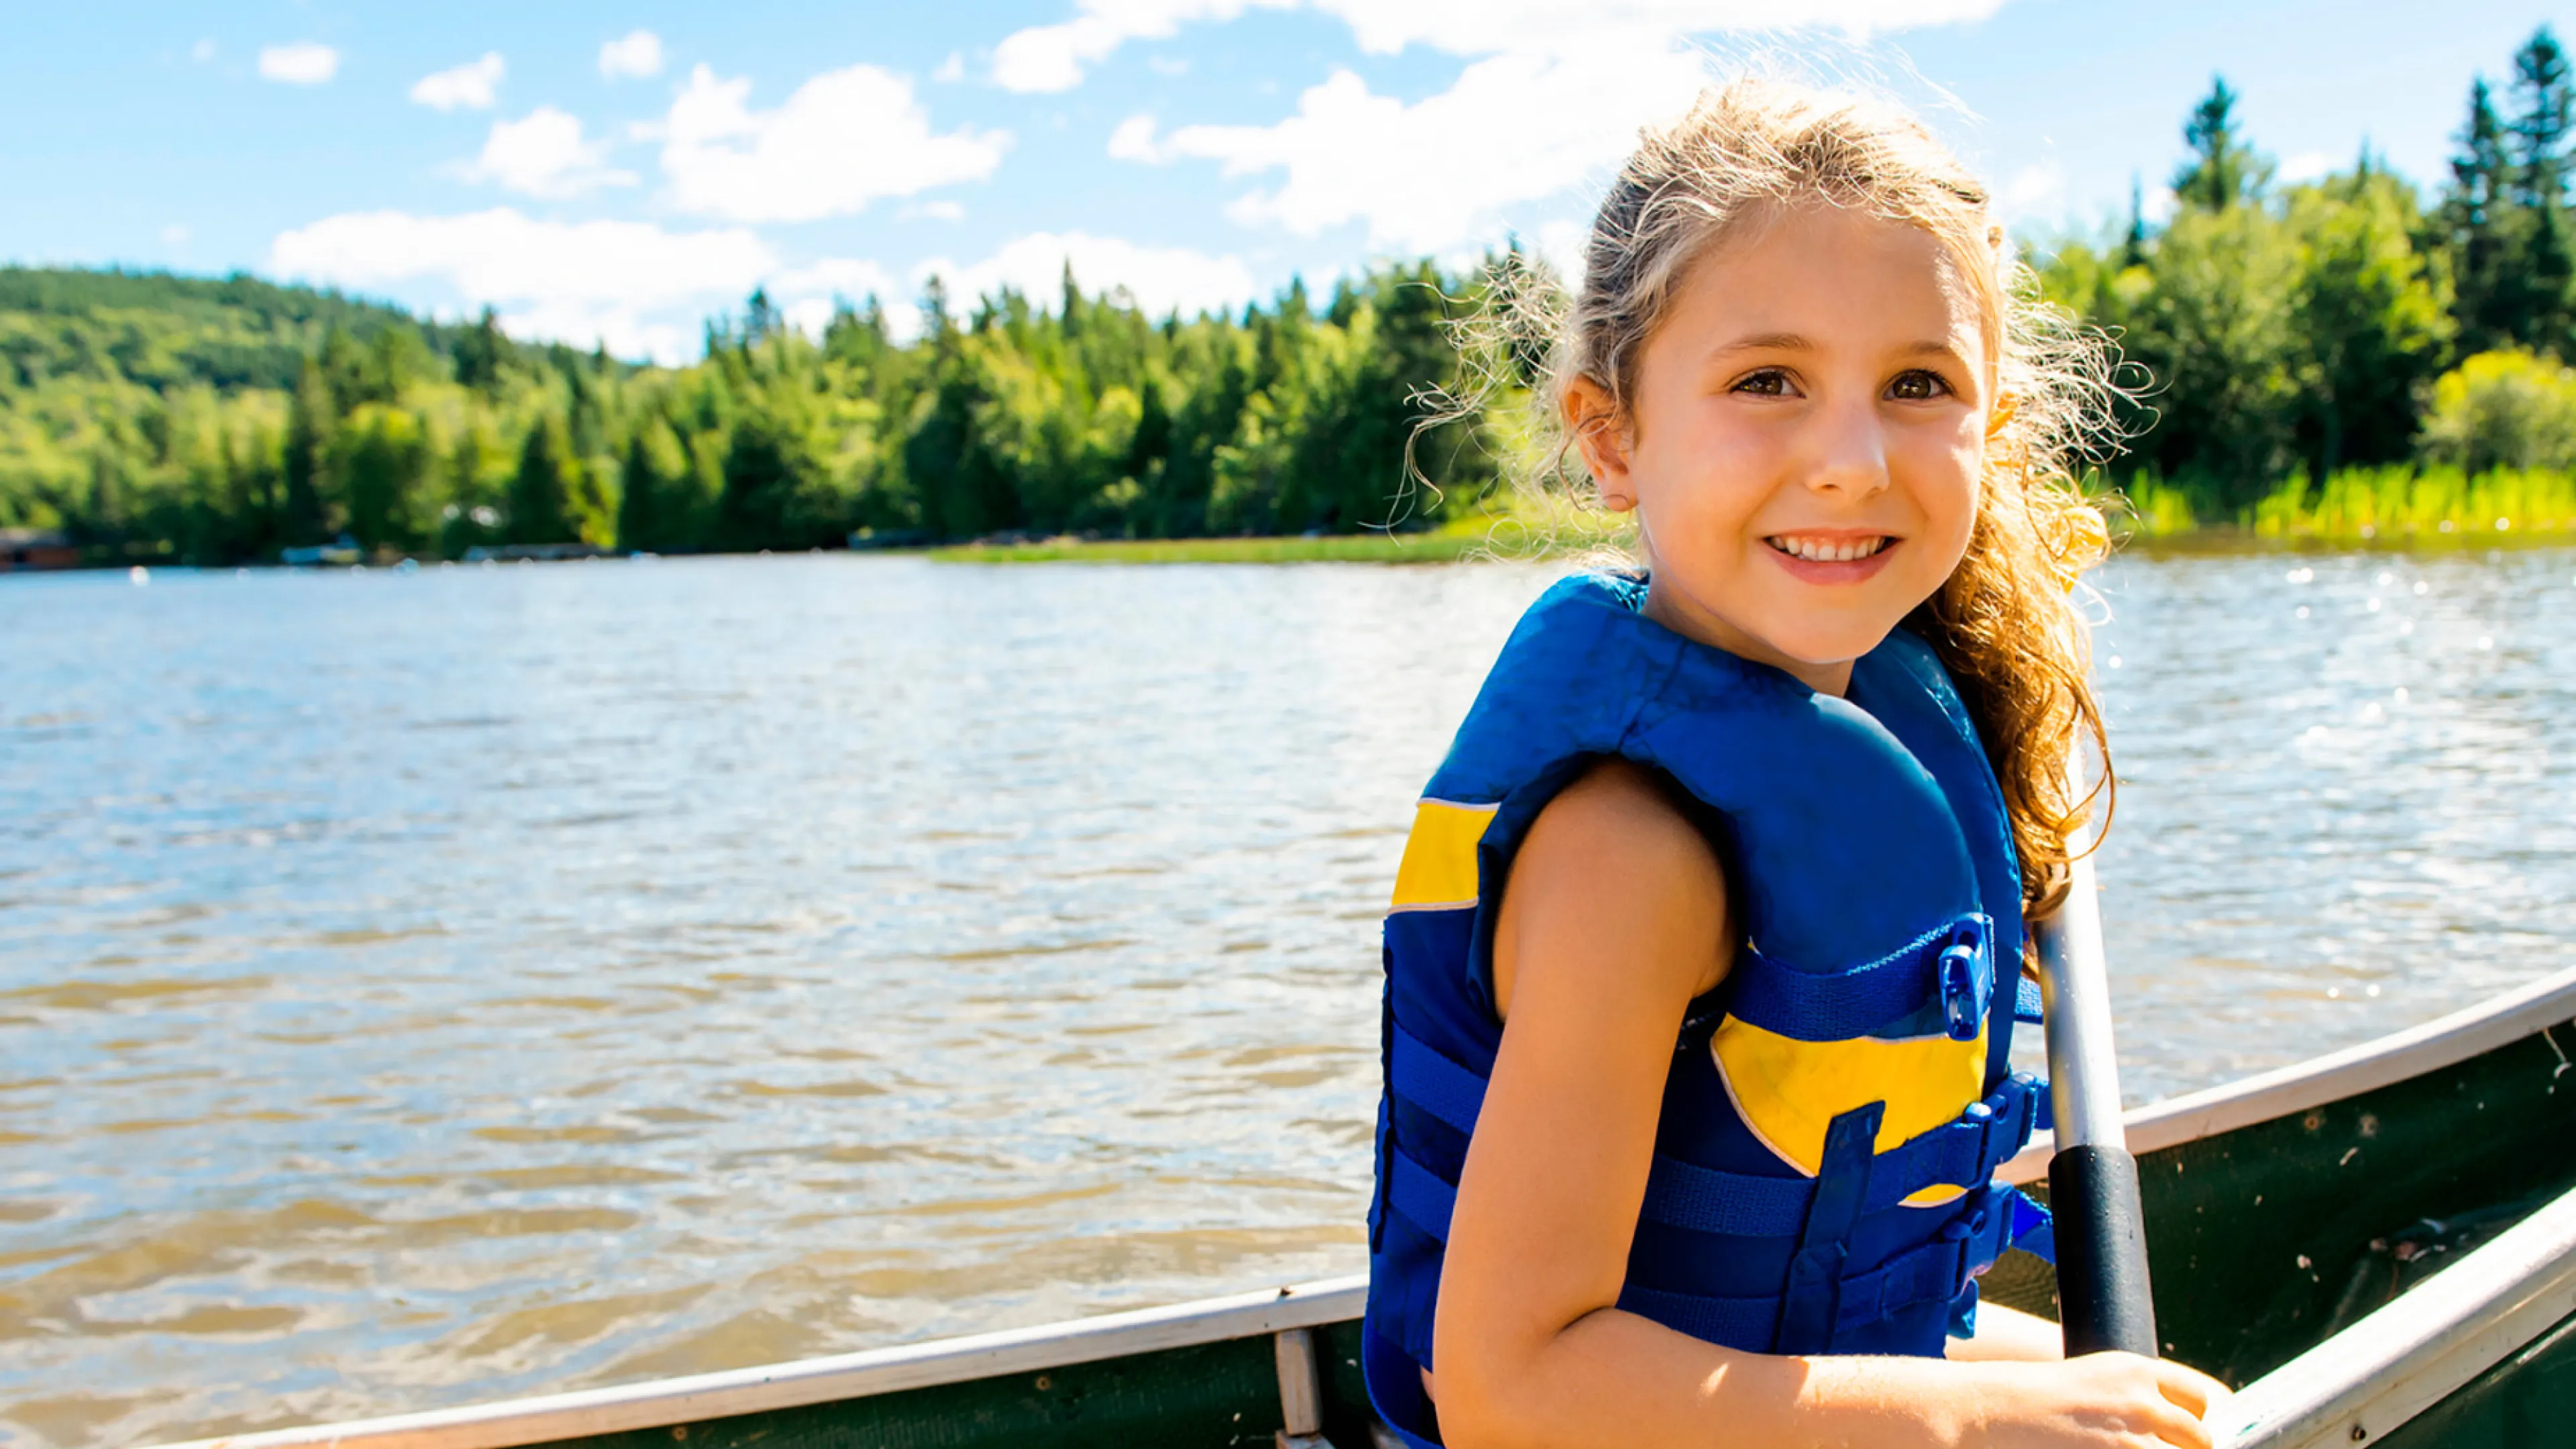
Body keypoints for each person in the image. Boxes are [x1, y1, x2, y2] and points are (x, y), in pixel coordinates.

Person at [1361, 78, 2230, 1448]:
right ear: (1612, 437)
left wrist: (2042, 1391)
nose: (1848, 458)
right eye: (1769, 381)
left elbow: (1850, 1325)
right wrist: (1980, 1423)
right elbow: (1509, 1392)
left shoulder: (1900, 726)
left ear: (1989, 431)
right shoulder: (1629, 857)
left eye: (1918, 386)